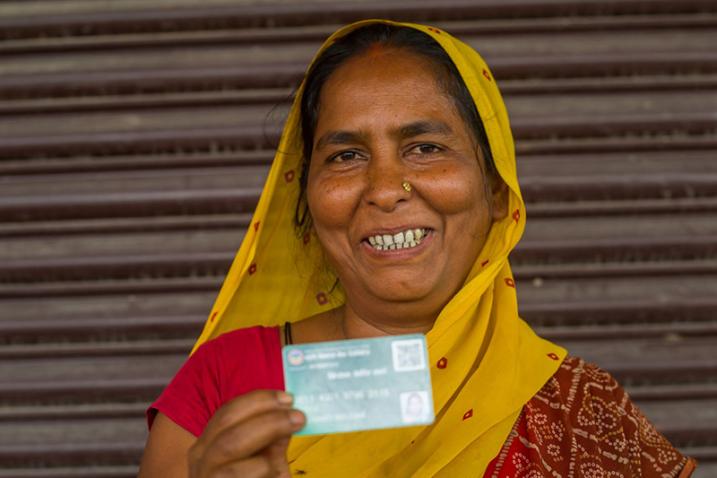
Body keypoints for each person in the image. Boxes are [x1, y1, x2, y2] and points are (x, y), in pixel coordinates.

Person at [138, 19, 696, 477]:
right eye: (346, 156)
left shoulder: (574, 407)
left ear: (498, 193)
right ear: (304, 203)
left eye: (426, 147)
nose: (384, 190)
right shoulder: (222, 383)